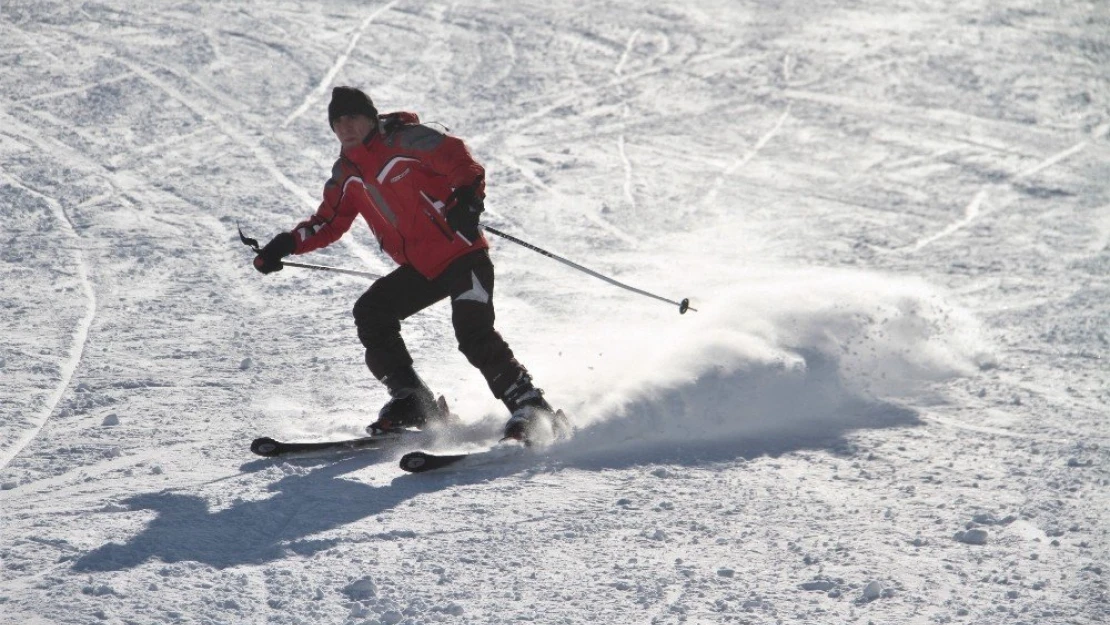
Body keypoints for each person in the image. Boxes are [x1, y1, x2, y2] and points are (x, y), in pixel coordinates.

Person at [252, 86, 562, 441]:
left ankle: (532, 407)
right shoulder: (347, 173)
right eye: (338, 121)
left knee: (472, 331)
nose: (346, 126)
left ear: (371, 117)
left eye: (353, 116)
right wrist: (285, 244)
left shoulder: (406, 140)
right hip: (423, 269)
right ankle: (414, 401)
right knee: (372, 311)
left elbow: (457, 158)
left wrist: (467, 198)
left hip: (463, 254)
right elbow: (328, 222)